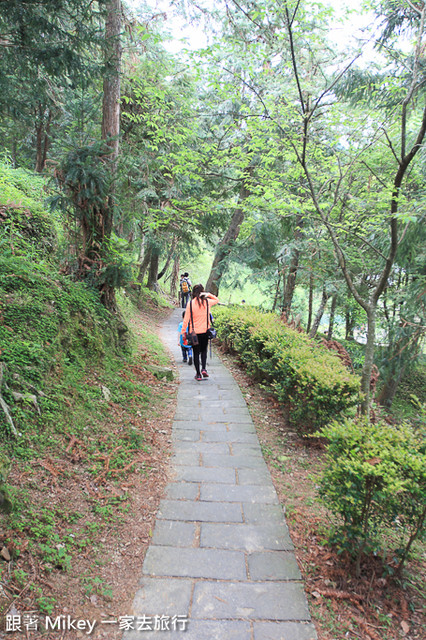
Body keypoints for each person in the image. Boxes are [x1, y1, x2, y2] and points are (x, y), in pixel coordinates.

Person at [181, 284, 219, 381]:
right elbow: (217, 300)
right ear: (202, 292)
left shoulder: (190, 304)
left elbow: (186, 320)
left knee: (196, 353)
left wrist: (183, 333)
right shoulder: (207, 302)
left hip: (194, 333)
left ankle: (198, 374)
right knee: (203, 351)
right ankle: (204, 369)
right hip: (205, 332)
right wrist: (208, 294)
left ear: (193, 292)